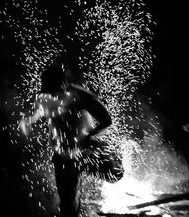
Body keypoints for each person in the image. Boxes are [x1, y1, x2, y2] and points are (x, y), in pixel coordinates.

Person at [18, 65, 124, 217]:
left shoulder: (80, 95)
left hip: (87, 152)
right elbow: (39, 110)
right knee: (68, 206)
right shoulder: (44, 96)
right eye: (49, 92)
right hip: (63, 157)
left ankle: (115, 156)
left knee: (116, 174)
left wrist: (89, 136)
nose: (53, 95)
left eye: (55, 91)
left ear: (63, 84)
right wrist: (28, 120)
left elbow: (107, 120)